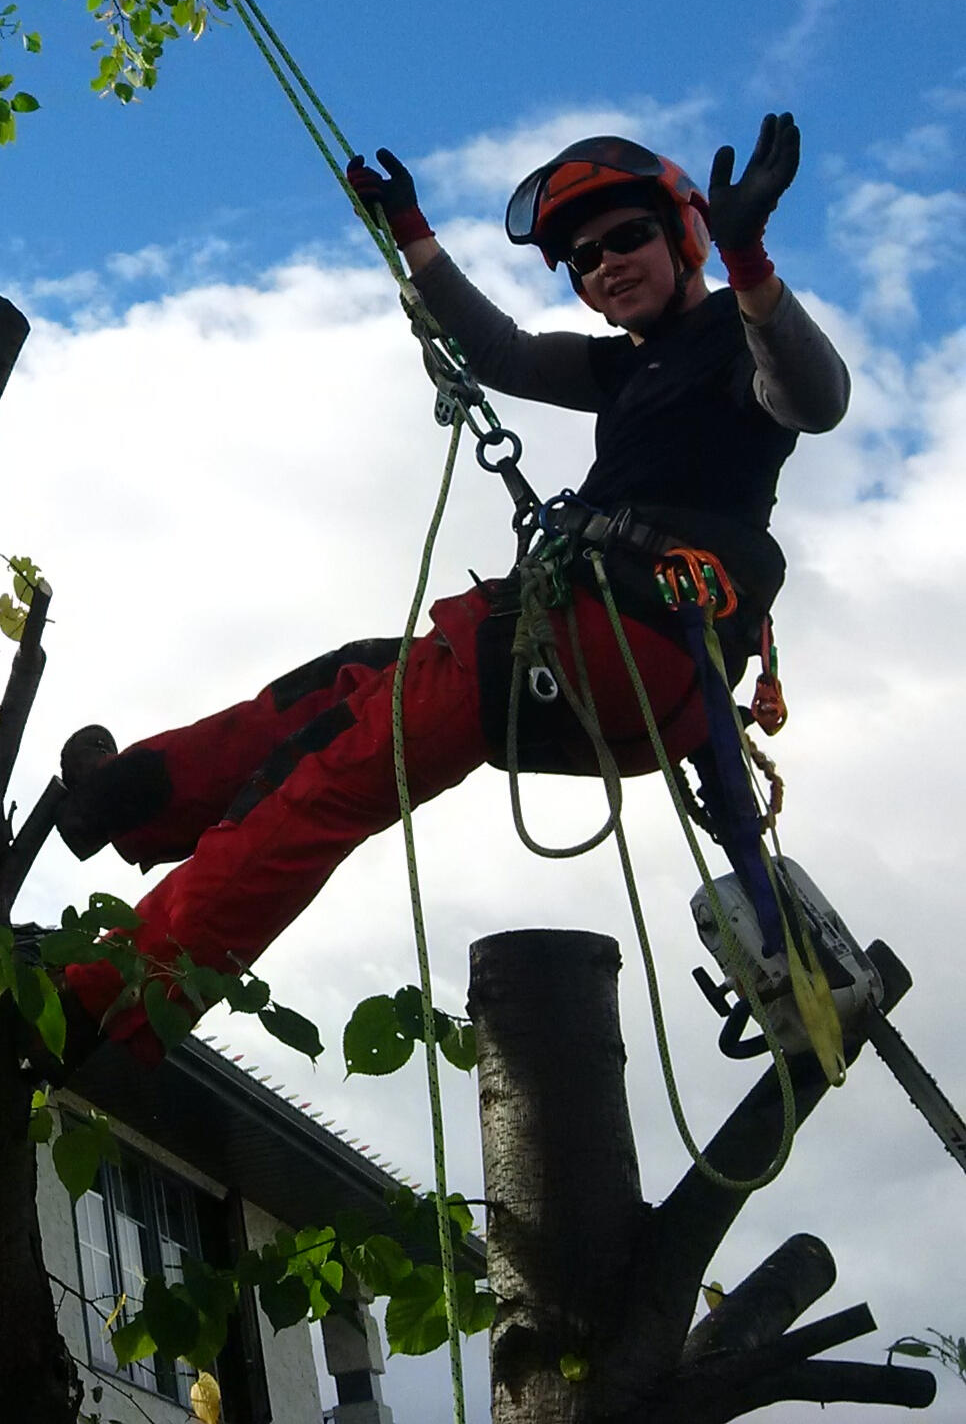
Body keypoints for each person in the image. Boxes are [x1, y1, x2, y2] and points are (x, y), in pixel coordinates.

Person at [58, 115, 851, 1067]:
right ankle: (135, 799)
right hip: (590, 653)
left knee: (329, 775)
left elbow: (815, 397)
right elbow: (507, 355)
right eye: (584, 257)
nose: (605, 264)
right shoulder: (626, 366)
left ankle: (99, 1000)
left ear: (682, 236)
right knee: (346, 683)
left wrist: (749, 258)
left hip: (622, 643)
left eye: (628, 237)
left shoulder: (735, 341)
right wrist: (414, 235)